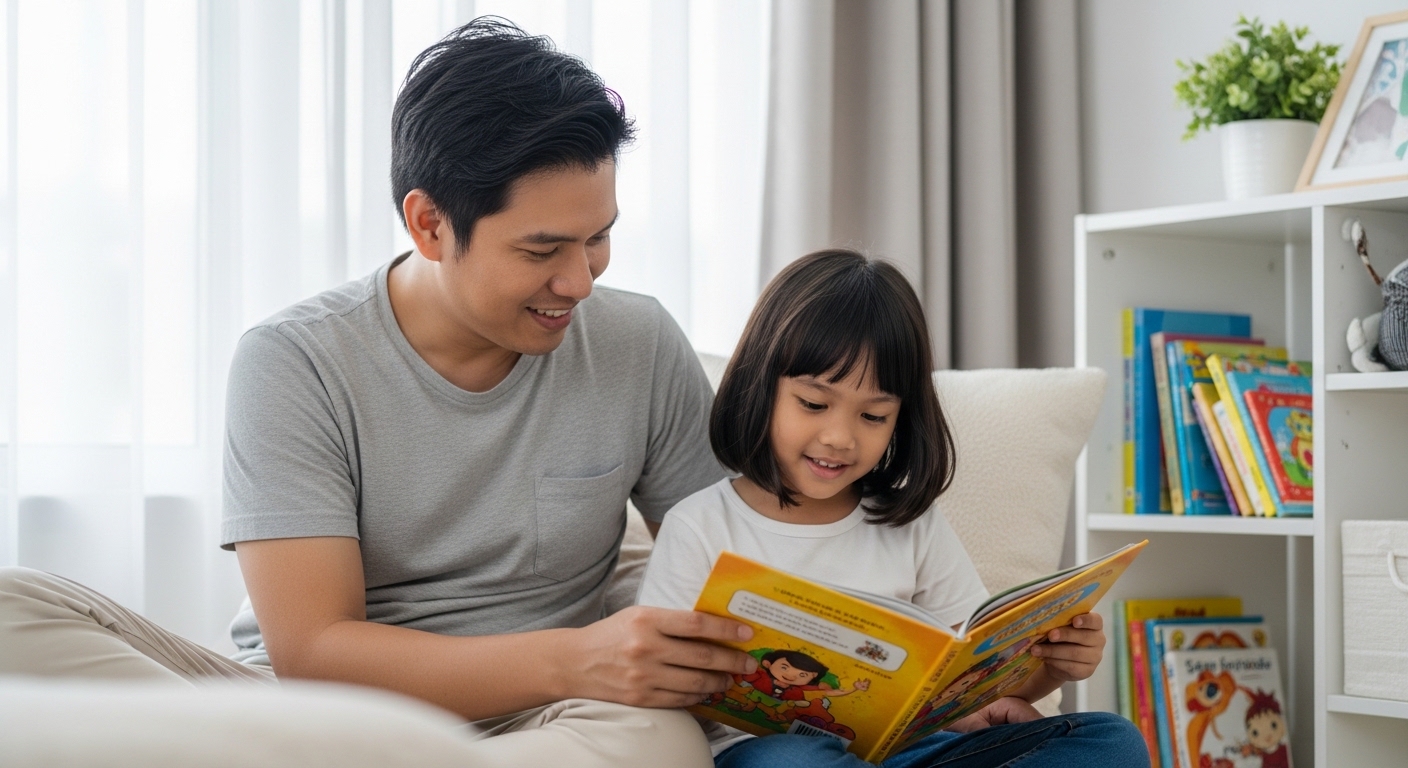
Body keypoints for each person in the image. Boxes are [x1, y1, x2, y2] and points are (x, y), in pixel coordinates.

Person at [0, 19, 756, 768]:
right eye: (542, 249)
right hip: (316, 719)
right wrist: (576, 658)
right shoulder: (295, 361)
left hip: (546, 721)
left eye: (598, 237)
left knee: (657, 739)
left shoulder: (639, 341)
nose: (581, 280)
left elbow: (740, 569)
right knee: (11, 607)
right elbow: (315, 652)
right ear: (429, 223)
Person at [636, 249, 1149, 767]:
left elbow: (972, 681)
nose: (839, 438)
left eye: (873, 416)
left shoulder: (909, 526)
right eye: (813, 404)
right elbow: (653, 682)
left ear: (900, 419)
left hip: (916, 753)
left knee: (1111, 740)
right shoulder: (700, 524)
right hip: (768, 753)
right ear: (759, 387)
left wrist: (1054, 669)